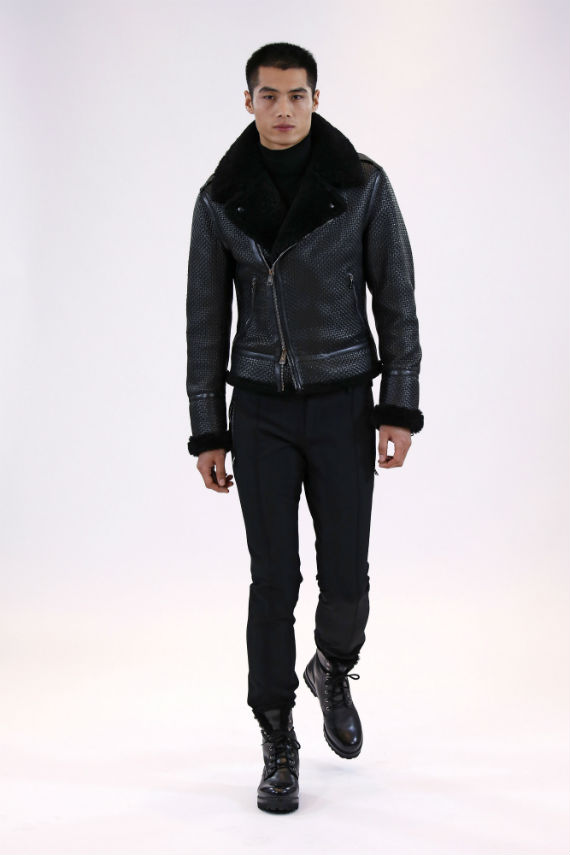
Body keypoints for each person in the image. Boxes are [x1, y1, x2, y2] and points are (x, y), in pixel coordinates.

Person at [185, 42, 424, 813]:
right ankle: (277, 734)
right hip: (259, 410)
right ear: (248, 101)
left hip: (344, 402)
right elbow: (204, 322)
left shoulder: (361, 185)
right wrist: (207, 428)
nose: (283, 109)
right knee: (273, 579)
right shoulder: (220, 198)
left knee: (347, 578)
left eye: (296, 95)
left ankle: (333, 667)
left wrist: (398, 405)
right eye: (269, 95)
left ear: (316, 98)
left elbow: (397, 299)